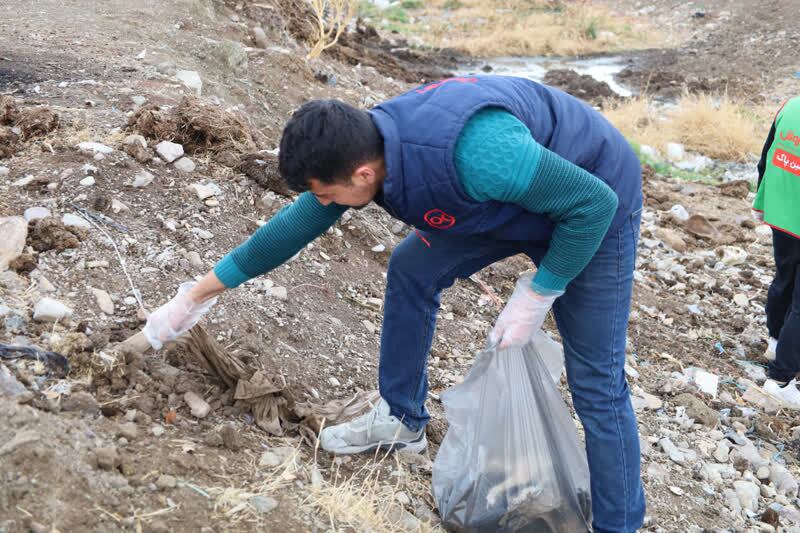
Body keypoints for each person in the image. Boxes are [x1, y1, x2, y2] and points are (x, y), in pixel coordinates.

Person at [143, 75, 645, 532]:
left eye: (327, 193)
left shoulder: (479, 154)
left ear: (362, 174)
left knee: (596, 380)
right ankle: (401, 420)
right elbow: (293, 228)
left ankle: (618, 524)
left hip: (593, 199)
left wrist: (539, 291)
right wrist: (195, 297)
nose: (322, 202)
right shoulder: (366, 148)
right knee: (412, 267)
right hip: (509, 202)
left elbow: (592, 203)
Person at [754, 96, 800, 406]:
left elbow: (766, 158)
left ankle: (774, 340)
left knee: (785, 276)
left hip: (782, 215)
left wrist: (761, 201)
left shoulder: (791, 106)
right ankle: (781, 378)